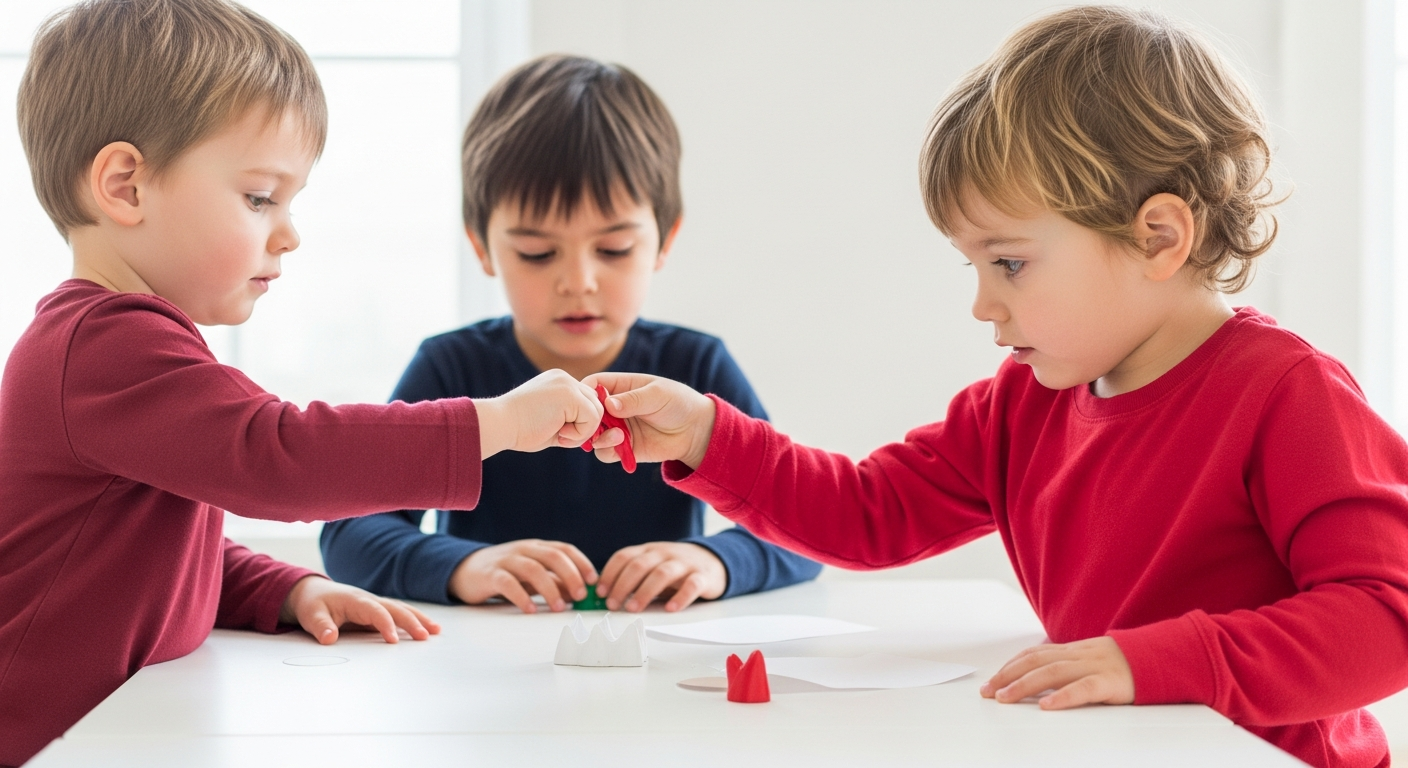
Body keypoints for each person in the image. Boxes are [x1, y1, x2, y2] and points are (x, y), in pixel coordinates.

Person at [582, 8, 1408, 767]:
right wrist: (705, 436)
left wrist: (1151, 660)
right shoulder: (1025, 403)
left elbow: (1386, 617)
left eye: (1008, 262)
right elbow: (871, 513)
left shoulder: (1288, 395)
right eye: (974, 265)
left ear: (1158, 235)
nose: (982, 303)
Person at [0, 2, 602, 764]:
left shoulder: (124, 345)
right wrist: (498, 423)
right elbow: (278, 456)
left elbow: (151, 557)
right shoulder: (104, 345)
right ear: (125, 186)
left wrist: (284, 591)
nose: (288, 234)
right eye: (259, 198)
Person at [320, 55, 820, 615]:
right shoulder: (451, 366)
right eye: (537, 253)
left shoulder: (696, 364)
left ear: (663, 240)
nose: (578, 282)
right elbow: (349, 536)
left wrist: (713, 561)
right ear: (482, 246)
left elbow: (805, 526)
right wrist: (462, 566)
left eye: (614, 250)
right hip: (489, 664)